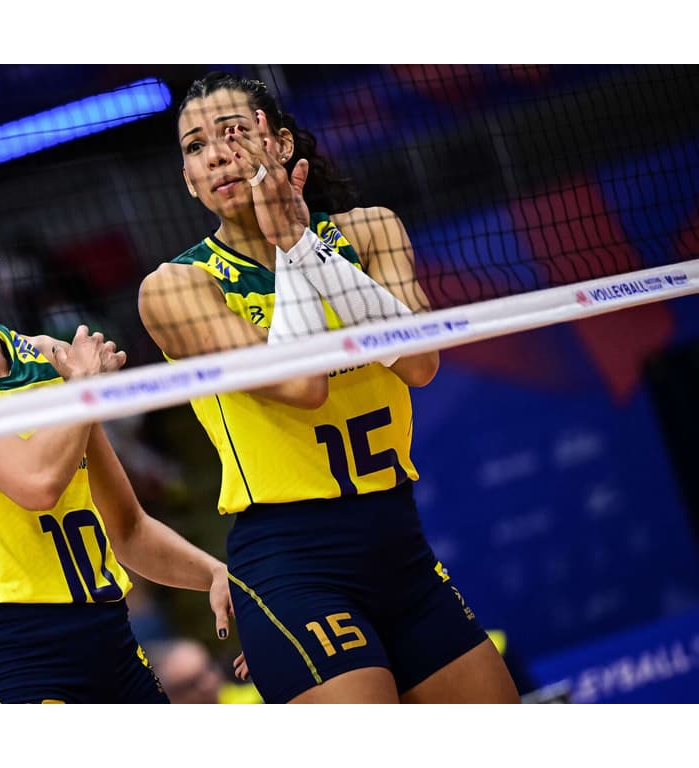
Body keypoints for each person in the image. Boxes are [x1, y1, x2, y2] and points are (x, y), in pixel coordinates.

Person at [137, 72, 519, 704]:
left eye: (233, 133)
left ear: (281, 144)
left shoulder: (369, 230)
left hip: (400, 544)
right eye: (195, 146)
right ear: (188, 180)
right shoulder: (178, 286)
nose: (217, 155)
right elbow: (302, 382)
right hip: (292, 562)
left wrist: (304, 245)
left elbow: (420, 362)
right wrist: (291, 250)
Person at [0, 174, 232, 703]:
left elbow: (126, 528)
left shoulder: (46, 359)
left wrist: (217, 573)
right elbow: (35, 484)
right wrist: (82, 390)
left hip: (113, 639)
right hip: (16, 655)